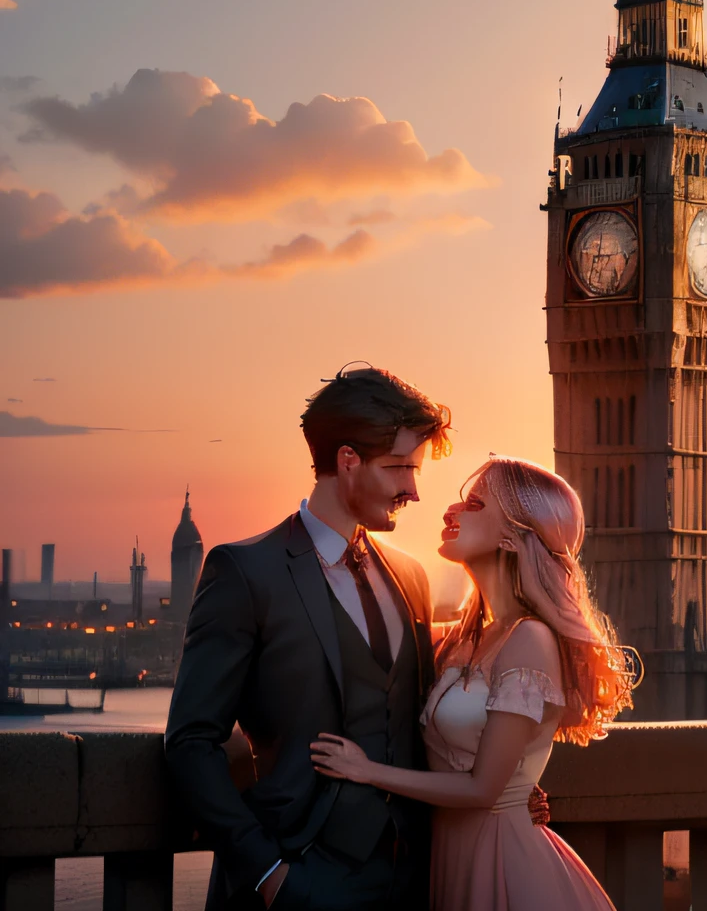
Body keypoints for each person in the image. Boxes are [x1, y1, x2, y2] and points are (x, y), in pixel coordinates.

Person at [165, 364, 451, 909]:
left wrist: (498, 790)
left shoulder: (412, 578)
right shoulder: (245, 572)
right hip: (298, 877)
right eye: (398, 469)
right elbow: (190, 741)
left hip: (412, 880)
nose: (413, 490)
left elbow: (422, 726)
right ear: (347, 462)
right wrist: (268, 874)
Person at [312, 456, 635, 911]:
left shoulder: (530, 639)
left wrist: (366, 771)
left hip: (507, 865)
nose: (450, 510)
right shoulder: (460, 639)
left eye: (475, 504)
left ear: (513, 534)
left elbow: (484, 789)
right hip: (450, 857)